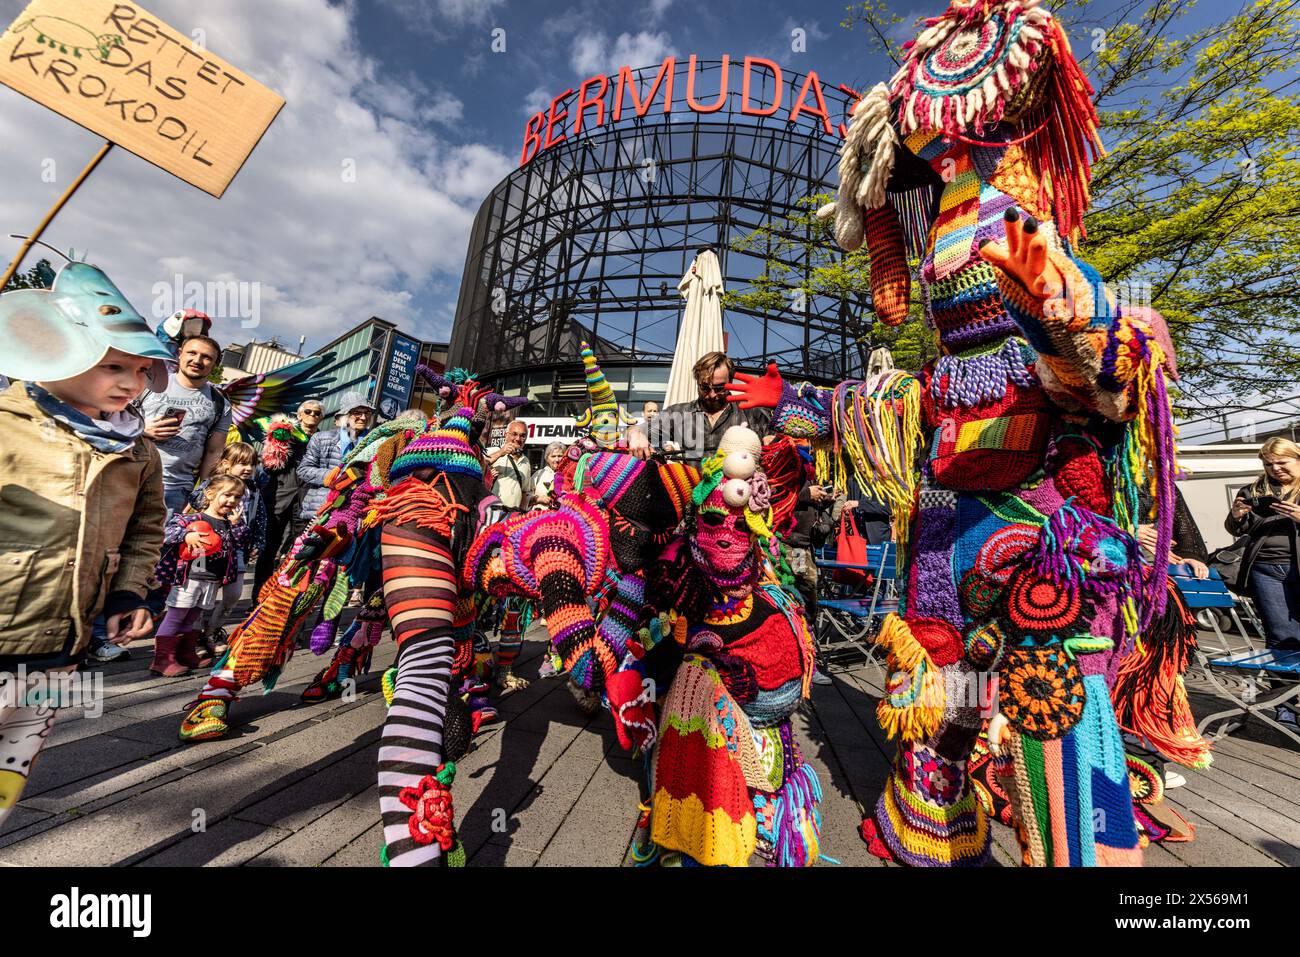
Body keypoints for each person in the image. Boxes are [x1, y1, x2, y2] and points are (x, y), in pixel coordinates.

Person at [0, 258, 170, 828]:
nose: (132, 382)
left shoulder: (141, 451)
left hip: (64, 640)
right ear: (47, 347)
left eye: (143, 370)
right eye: (114, 365)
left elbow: (146, 530)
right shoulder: (5, 421)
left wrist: (128, 594)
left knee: (10, 766)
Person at [150, 475, 250, 676]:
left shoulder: (229, 523)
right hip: (190, 578)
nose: (232, 501)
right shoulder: (194, 519)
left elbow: (239, 544)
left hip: (211, 579)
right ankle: (161, 660)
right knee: (176, 615)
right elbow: (167, 533)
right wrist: (187, 535)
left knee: (194, 616)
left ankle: (186, 653)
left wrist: (238, 525)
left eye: (237, 497)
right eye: (227, 495)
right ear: (210, 494)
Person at [138, 334, 231, 516]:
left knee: (154, 544)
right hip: (130, 476)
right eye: (192, 352)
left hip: (175, 491)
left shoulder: (220, 403)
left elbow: (214, 451)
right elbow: (112, 421)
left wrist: (205, 491)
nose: (197, 360)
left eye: (206, 357)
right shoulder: (147, 382)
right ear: (180, 354)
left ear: (215, 365)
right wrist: (142, 430)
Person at [627, 352, 770, 469]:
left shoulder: (751, 412)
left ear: (730, 383)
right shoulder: (679, 413)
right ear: (697, 382)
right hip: (690, 496)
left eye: (719, 388)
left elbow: (780, 440)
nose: (712, 395)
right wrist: (636, 435)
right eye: (705, 387)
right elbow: (636, 429)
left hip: (737, 497)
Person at [191, 442, 267, 656]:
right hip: (208, 549)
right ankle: (194, 635)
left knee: (233, 595)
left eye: (252, 464)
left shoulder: (253, 491)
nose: (248, 468)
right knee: (201, 595)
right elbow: (196, 502)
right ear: (226, 464)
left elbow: (260, 519)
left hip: (237, 549)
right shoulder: (211, 484)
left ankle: (212, 631)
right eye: (241, 463)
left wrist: (257, 544)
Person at [1225, 437, 1300, 652]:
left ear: (1297, 458)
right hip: (1265, 568)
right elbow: (1236, 530)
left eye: (1282, 462)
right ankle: (1283, 686)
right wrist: (1236, 516)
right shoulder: (1252, 491)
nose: (1275, 468)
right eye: (1268, 464)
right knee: (1280, 634)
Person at [253, 399, 322, 595]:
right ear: (299, 415)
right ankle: (258, 595)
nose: (312, 416)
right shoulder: (286, 431)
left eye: (317, 413)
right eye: (308, 412)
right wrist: (278, 438)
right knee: (268, 548)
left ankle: (284, 596)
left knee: (298, 549)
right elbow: (269, 463)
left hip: (306, 501)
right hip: (279, 496)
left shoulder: (323, 439)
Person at [298, 391, 375, 523]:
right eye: (357, 413)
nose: (363, 417)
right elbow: (303, 470)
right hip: (318, 511)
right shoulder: (322, 438)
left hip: (354, 514)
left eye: (367, 413)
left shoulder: (375, 443)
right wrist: (337, 477)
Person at [485, 419, 533, 510]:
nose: (518, 439)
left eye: (522, 435)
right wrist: (501, 452)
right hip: (491, 510)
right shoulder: (492, 451)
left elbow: (524, 492)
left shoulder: (526, 461)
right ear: (506, 435)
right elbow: (479, 464)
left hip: (512, 515)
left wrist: (521, 514)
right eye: (514, 434)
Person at [531, 441, 565, 508]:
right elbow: (527, 494)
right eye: (553, 456)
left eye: (560, 456)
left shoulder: (569, 476)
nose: (557, 459)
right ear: (547, 458)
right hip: (539, 515)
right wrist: (538, 499)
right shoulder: (538, 474)